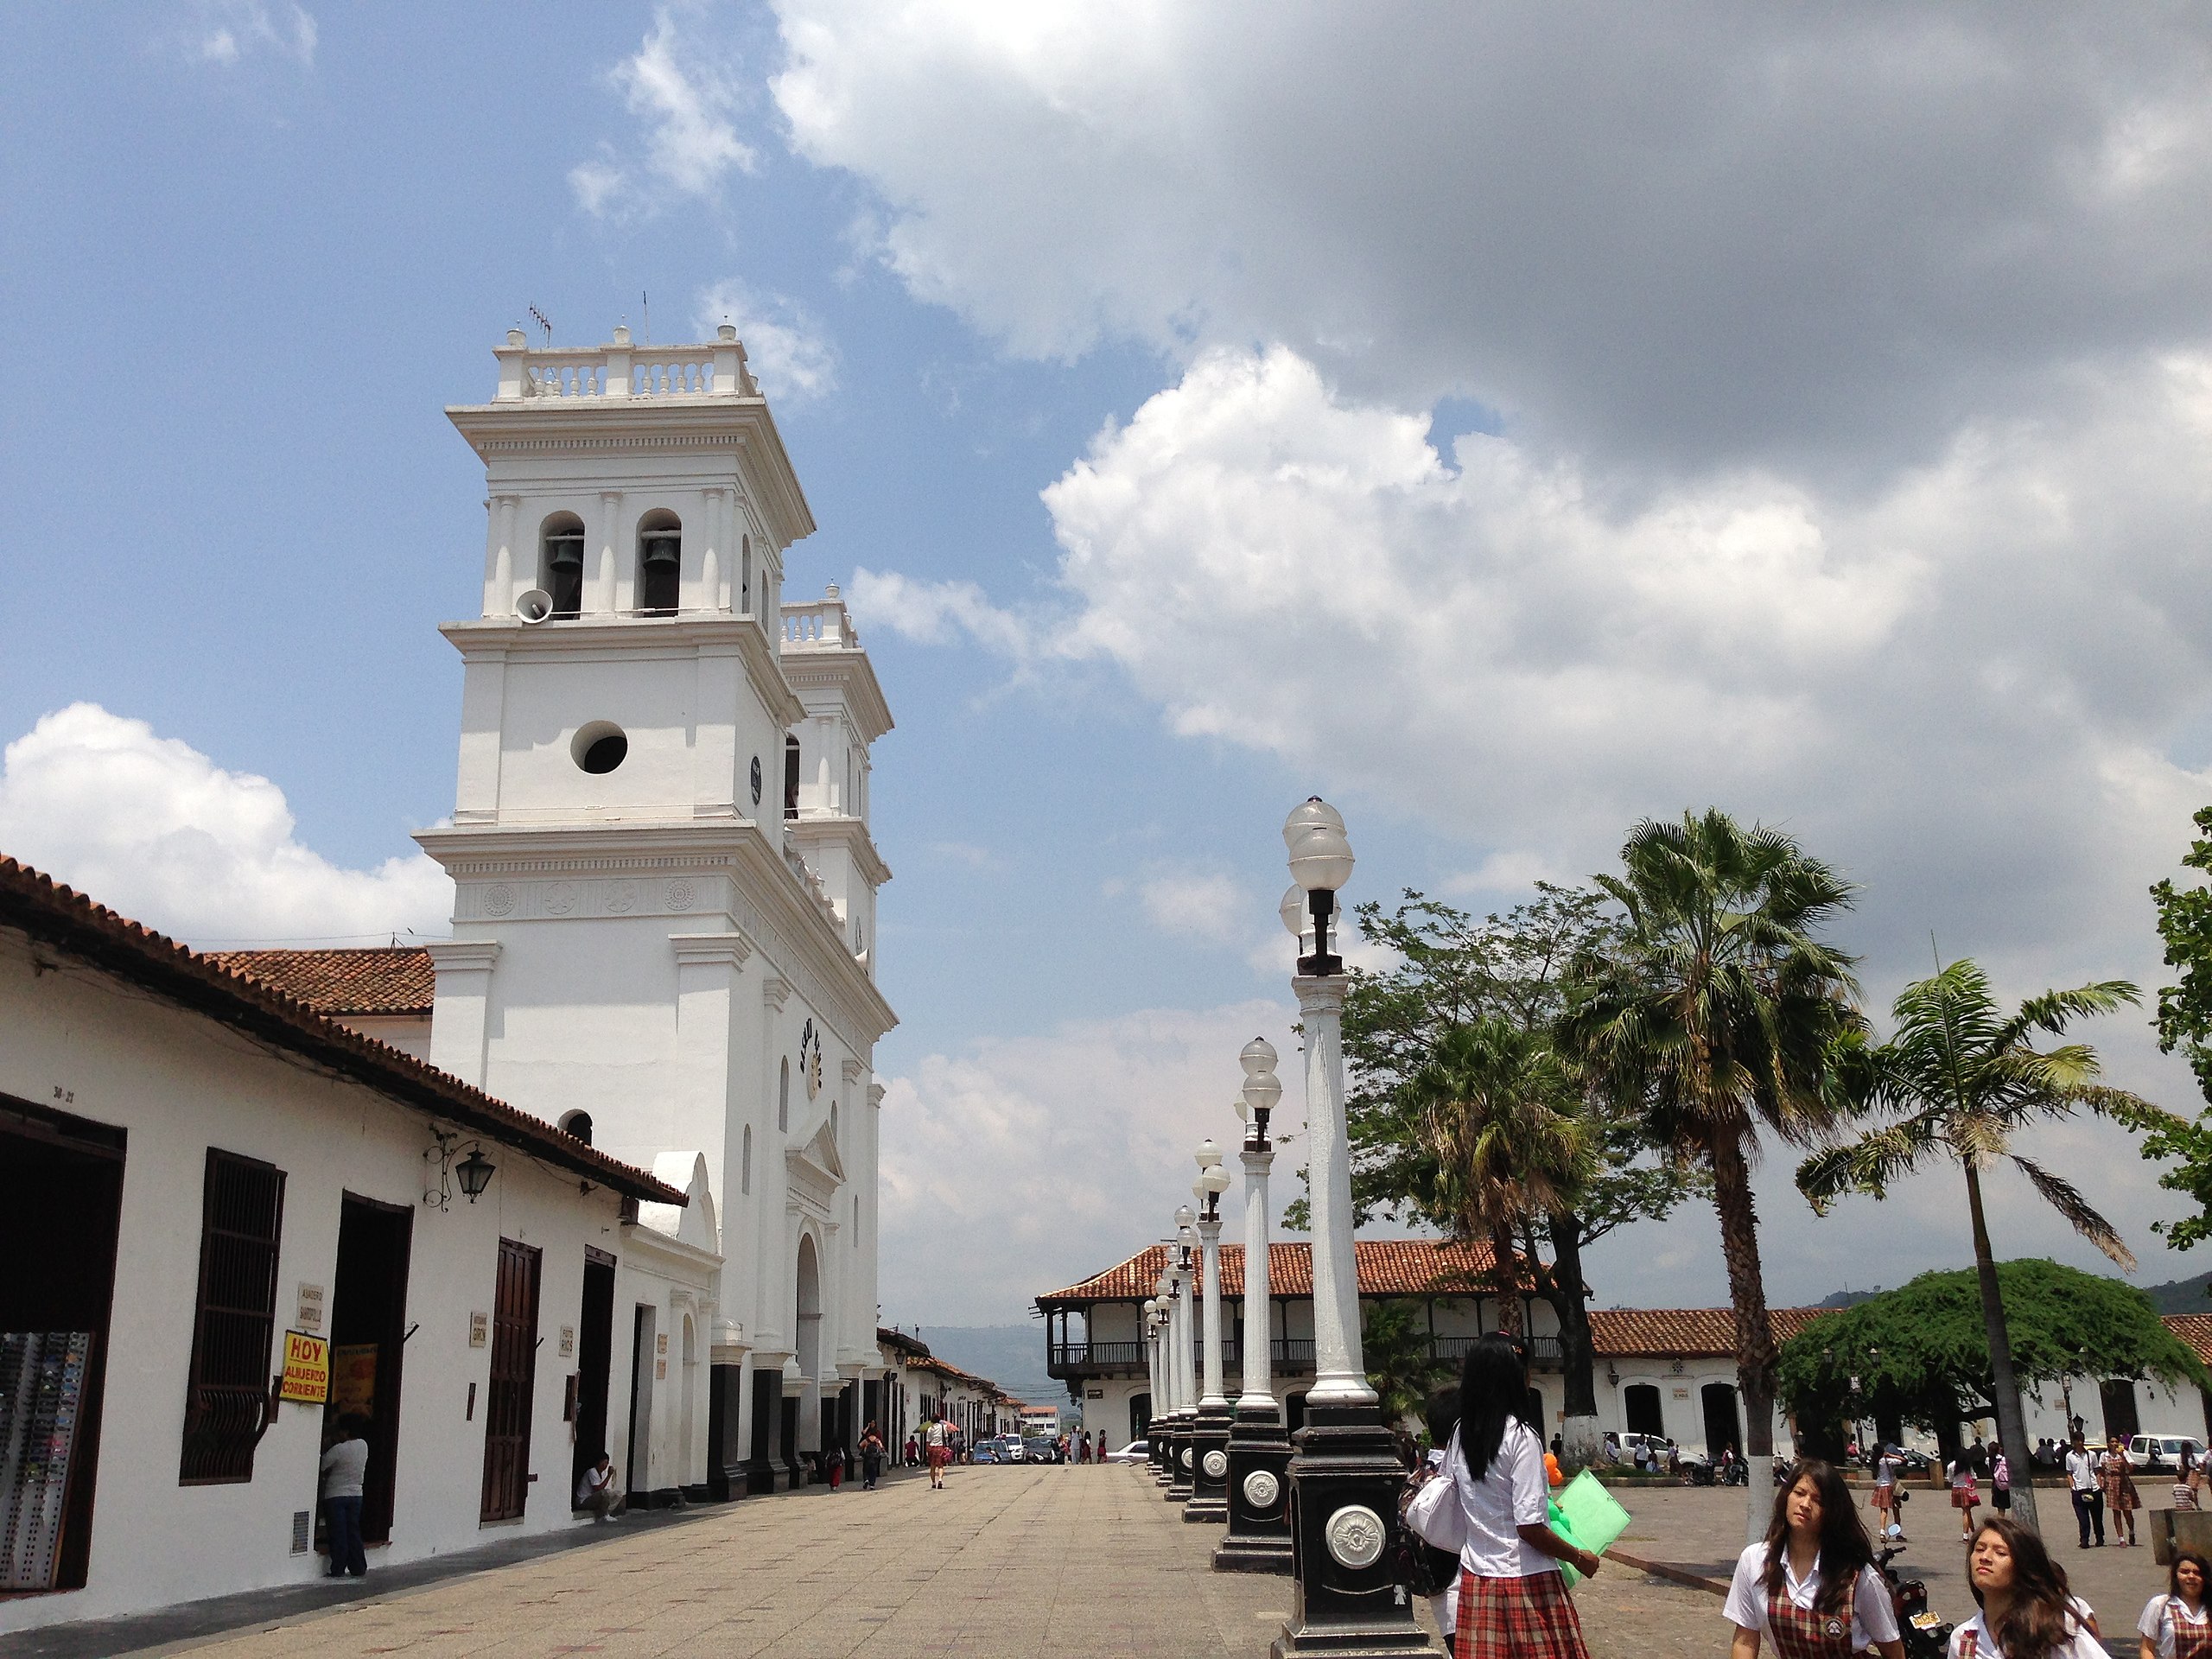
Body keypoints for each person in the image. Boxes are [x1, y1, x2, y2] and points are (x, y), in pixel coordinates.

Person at [1431, 1335, 1599, 1659]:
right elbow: (1530, 1528)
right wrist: (1579, 1557)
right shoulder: (1520, 1438)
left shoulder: (1460, 1435)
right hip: (1527, 1581)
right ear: (1513, 1378)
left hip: (1478, 1580)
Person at [1723, 1457, 1904, 1659]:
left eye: (1818, 1500)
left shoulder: (1858, 1576)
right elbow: (1746, 1639)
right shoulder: (1755, 1561)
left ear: (1833, 1512)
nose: (1805, 1504)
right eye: (1799, 1493)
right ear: (1786, 1496)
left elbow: (1892, 1650)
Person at [1949, 1516, 2105, 1658]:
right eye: (1980, 1549)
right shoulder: (1964, 1640)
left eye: (2000, 1553)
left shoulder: (2057, 1627)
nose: (1985, 1557)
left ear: (2024, 1566)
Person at [319, 1414, 371, 1577]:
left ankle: (338, 1568)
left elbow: (322, 1465)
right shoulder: (363, 1446)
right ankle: (358, 1567)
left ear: (345, 1431)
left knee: (338, 1532)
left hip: (336, 1495)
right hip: (356, 1495)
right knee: (353, 1531)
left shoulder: (339, 1449)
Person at [2137, 1546, 2211, 1659]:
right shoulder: (2160, 1605)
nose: (2191, 1576)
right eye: (2185, 1572)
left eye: (2197, 1573)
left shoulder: (2209, 1608)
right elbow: (2147, 1648)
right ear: (2176, 1576)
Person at [2064, 1434, 2106, 1548]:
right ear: (2074, 1442)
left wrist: (2099, 1484)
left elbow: (2097, 1471)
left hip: (2093, 1489)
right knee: (2083, 1518)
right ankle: (2084, 1540)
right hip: (2079, 1490)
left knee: (2097, 1517)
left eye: (2082, 1440)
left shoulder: (2091, 1455)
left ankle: (2100, 1538)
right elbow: (2069, 1473)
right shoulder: (2069, 1456)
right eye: (2078, 1441)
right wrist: (2073, 1487)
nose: (2080, 1443)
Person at [2105, 1437, 2141, 1548]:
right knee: (2116, 1511)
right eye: (2112, 1442)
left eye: (2116, 1442)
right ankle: (2121, 1538)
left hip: (2124, 1482)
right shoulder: (2104, 1456)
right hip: (2112, 1483)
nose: (2114, 1444)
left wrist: (2122, 1457)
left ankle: (2131, 1531)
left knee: (2127, 1511)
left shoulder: (2124, 1453)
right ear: (2108, 1444)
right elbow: (2102, 1470)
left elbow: (2130, 1469)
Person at [575, 1452, 624, 1522]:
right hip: (583, 1500)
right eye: (604, 1462)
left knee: (618, 1494)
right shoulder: (592, 1472)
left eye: (607, 1463)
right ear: (599, 1462)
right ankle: (604, 1515)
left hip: (593, 1499)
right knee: (604, 1493)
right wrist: (609, 1476)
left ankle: (606, 1512)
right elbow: (597, 1489)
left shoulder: (603, 1473)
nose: (606, 1465)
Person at [1951, 1452, 1982, 1541]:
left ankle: (1970, 1533)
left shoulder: (1951, 1465)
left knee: (1966, 1511)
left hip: (1956, 1488)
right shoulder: (1968, 1466)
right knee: (1966, 1511)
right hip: (1966, 1488)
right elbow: (1974, 1476)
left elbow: (1950, 1479)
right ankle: (1968, 1534)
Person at [1872, 1445, 1901, 1540]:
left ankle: (1882, 1532)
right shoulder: (1886, 1461)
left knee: (1883, 1510)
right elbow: (1902, 1460)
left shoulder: (1876, 1461)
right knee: (1895, 1509)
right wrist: (1891, 1455)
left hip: (1880, 1486)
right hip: (1889, 1486)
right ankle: (1898, 1533)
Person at [860, 1421, 885, 1491]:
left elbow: (860, 1445)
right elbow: (881, 1447)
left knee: (866, 1469)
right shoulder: (877, 1440)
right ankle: (872, 1485)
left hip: (867, 1457)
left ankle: (866, 1480)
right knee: (873, 1470)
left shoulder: (867, 1440)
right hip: (875, 1457)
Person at [925, 1416, 948, 1489]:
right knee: (940, 1466)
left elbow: (928, 1441)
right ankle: (940, 1480)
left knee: (932, 1467)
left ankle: (934, 1483)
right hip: (940, 1447)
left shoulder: (930, 1429)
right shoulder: (942, 1427)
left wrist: (927, 1450)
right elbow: (946, 1437)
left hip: (932, 1448)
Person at [1993, 1450, 2012, 1514]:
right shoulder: (2007, 1460)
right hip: (2007, 1484)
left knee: (2000, 1506)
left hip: (1997, 1484)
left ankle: (2000, 1519)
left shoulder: (1991, 1460)